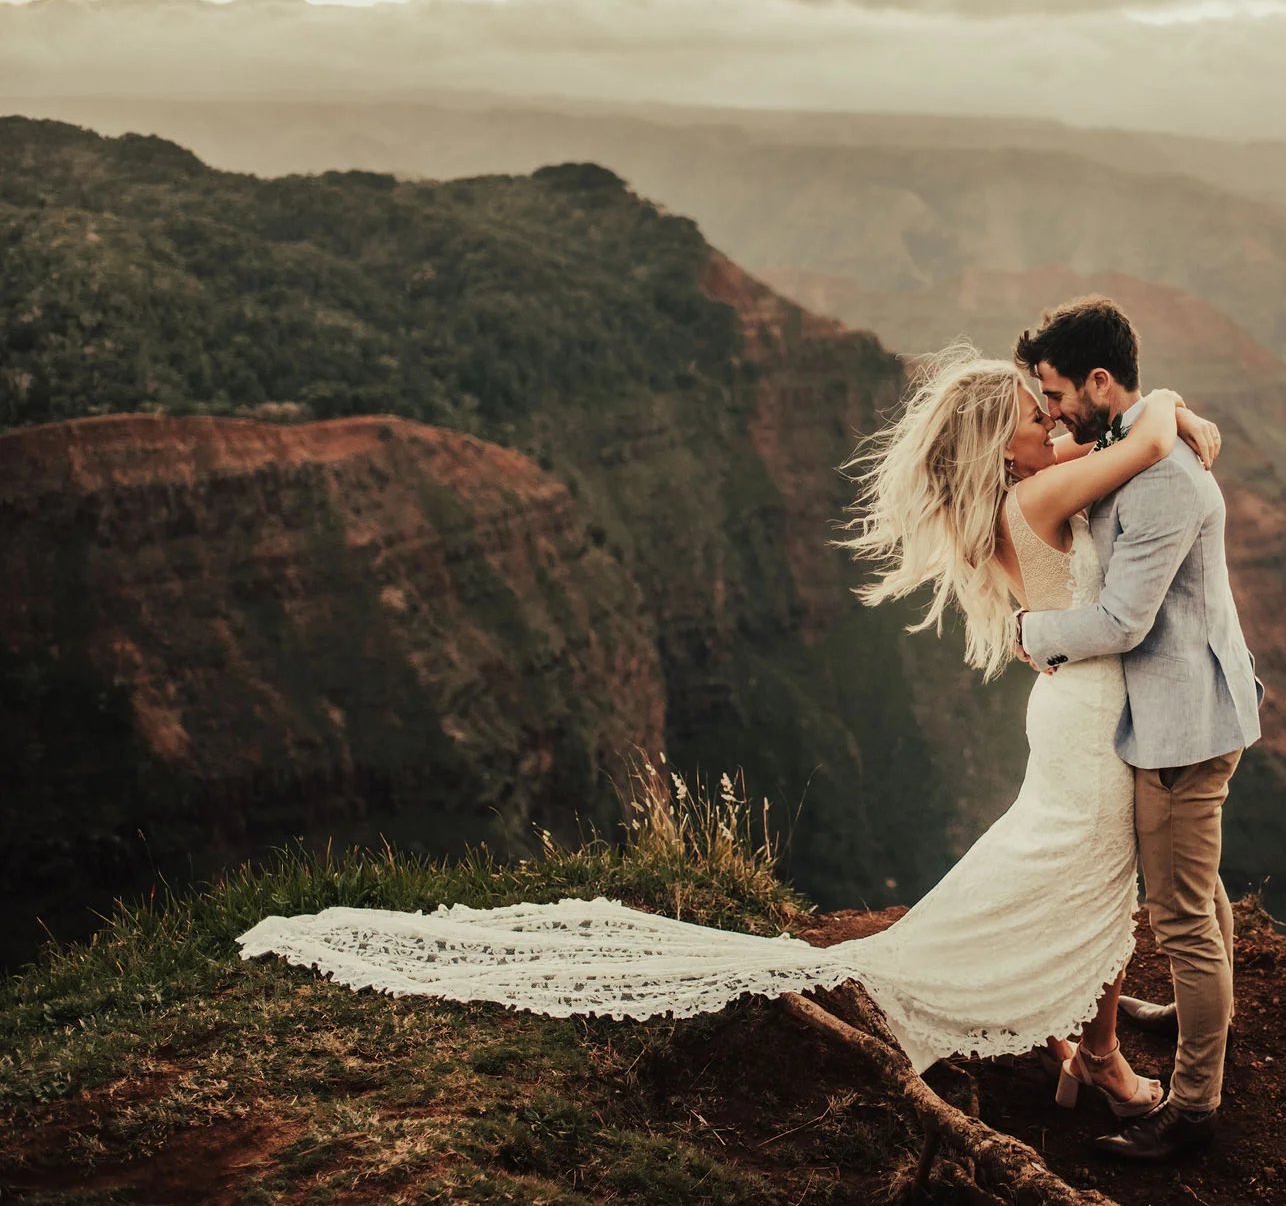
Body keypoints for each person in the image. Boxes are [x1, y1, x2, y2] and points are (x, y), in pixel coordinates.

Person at [237, 333, 1227, 1134]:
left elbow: (1116, 458)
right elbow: (1140, 450)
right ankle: (1094, 1057)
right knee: (1093, 877)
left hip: (1075, 708)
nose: (1047, 421)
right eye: (1028, 415)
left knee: (1081, 878)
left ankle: (1085, 1047)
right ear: (996, 446)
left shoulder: (1015, 496)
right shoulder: (1037, 492)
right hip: (1091, 714)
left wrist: (1152, 427)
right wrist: (1172, 404)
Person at [1013, 295, 1263, 1161]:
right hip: (1176, 711)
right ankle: (1207, 1030)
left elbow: (1122, 621)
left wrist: (1029, 634)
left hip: (1182, 726)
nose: (1050, 410)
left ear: (1100, 381)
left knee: (1183, 916)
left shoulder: (1161, 484)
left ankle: (1194, 1105)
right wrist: (1173, 407)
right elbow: (1140, 428)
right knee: (1201, 894)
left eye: (1056, 392)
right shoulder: (1133, 442)